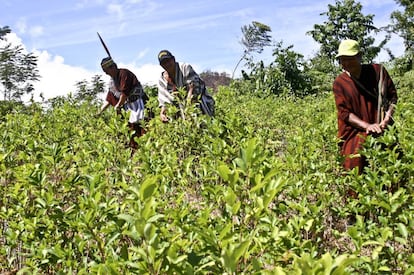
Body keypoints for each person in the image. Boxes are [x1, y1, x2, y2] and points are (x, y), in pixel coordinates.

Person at [333, 39, 398, 173]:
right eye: (342, 60)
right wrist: (367, 126)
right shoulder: (340, 83)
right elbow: (345, 113)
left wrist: (386, 120)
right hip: (355, 130)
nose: (345, 63)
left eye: (349, 59)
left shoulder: (378, 72)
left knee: (393, 159)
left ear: (360, 56)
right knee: (355, 162)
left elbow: (392, 98)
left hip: (382, 125)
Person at [98, 57, 146, 150]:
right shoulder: (112, 82)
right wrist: (100, 111)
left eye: (106, 70)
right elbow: (109, 99)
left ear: (113, 67)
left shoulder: (124, 73)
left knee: (144, 128)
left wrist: (118, 105)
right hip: (129, 109)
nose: (106, 73)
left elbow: (124, 93)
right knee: (132, 133)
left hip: (140, 104)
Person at [157, 50, 214, 122]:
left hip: (199, 102)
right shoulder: (162, 80)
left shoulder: (185, 68)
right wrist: (162, 113)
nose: (167, 64)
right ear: (161, 65)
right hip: (180, 108)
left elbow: (193, 88)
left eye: (168, 61)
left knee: (203, 124)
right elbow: (164, 100)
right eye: (164, 63)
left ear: (173, 59)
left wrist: (188, 110)